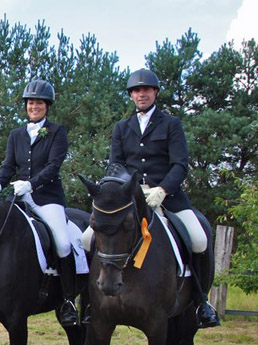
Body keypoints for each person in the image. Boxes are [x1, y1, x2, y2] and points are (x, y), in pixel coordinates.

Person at [85, 68, 219, 328]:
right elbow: (115, 165)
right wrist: (130, 188)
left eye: (146, 89)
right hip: (131, 198)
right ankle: (91, 301)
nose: (141, 94)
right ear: (131, 95)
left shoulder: (171, 124)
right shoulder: (122, 127)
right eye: (136, 90)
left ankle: (202, 301)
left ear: (155, 92)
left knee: (200, 239)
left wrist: (162, 190)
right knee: (88, 238)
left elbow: (180, 164)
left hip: (167, 197)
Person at [0, 79, 78, 327]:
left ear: (47, 106)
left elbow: (53, 166)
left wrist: (32, 184)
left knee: (63, 243)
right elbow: (8, 166)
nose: (34, 106)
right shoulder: (16, 134)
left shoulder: (57, 132)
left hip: (47, 197)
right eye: (30, 102)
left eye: (38, 103)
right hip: (18, 196)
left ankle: (69, 300)